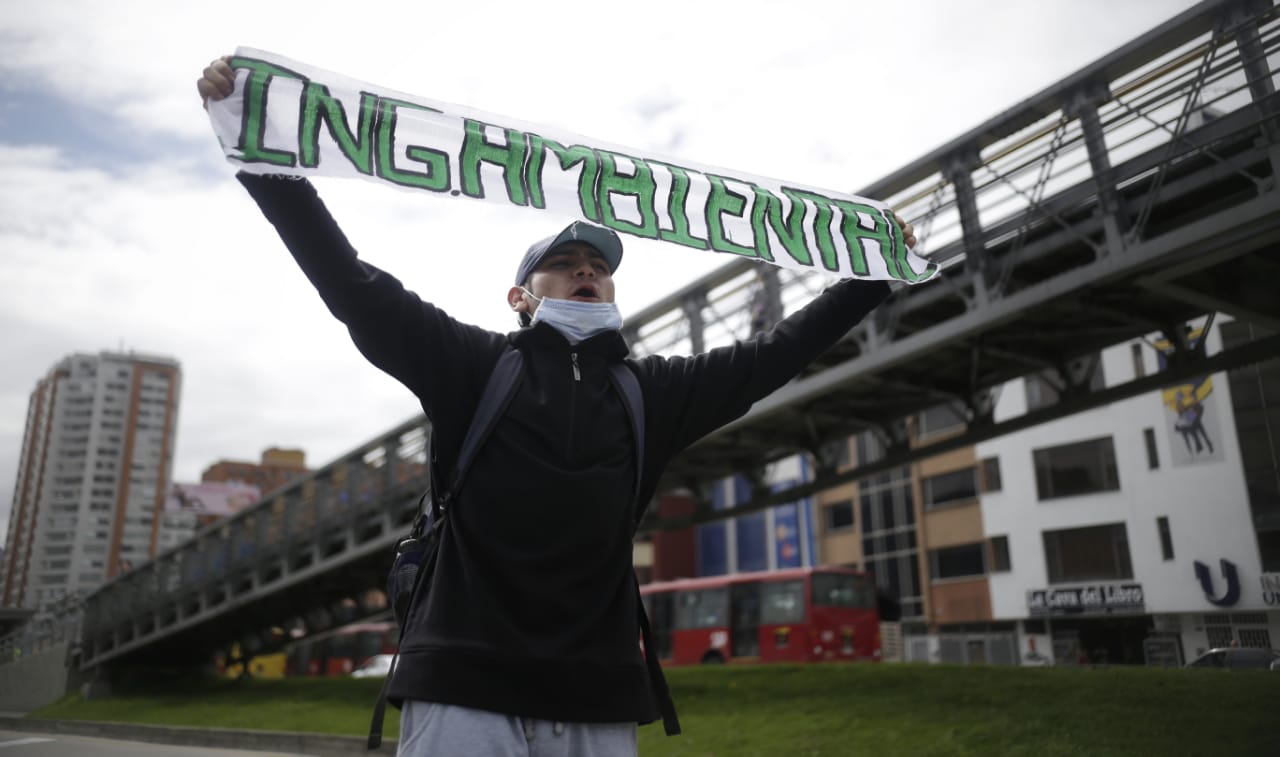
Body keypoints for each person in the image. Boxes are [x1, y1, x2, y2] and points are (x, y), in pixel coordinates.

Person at [198, 57, 911, 757]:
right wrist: (262, 152)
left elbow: (777, 352)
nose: (587, 271)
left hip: (596, 696)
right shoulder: (474, 367)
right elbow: (351, 285)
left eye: (599, 267)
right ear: (522, 296)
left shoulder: (652, 392)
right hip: (461, 683)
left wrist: (872, 277)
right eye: (567, 263)